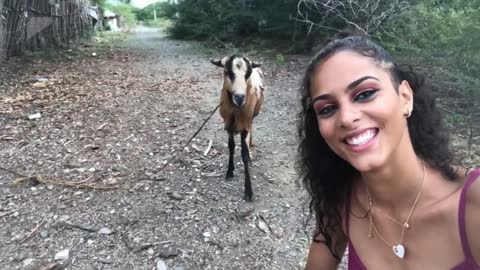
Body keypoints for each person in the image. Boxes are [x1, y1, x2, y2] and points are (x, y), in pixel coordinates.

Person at [297, 34, 480, 269]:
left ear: (405, 97)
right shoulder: (341, 201)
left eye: (365, 94)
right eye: (327, 108)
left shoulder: (472, 204)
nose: (346, 118)